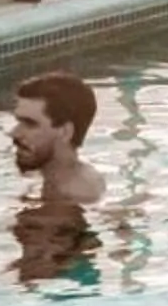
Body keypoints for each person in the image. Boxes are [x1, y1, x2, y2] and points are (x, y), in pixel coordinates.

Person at [10, 72, 105, 212]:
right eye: (19, 122)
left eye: (30, 124)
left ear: (65, 132)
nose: (15, 133)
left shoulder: (70, 197)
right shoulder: (62, 177)